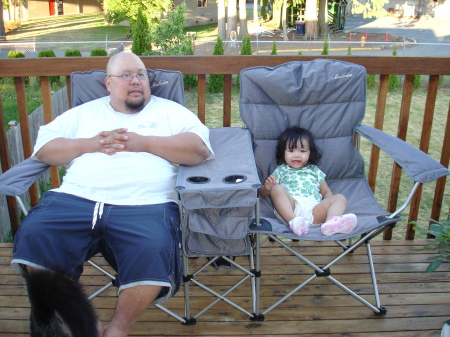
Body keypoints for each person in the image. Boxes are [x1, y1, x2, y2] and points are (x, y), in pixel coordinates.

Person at [11, 51, 214, 337]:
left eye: (141, 74)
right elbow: (45, 149)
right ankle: (76, 324)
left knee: (154, 248)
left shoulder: (169, 112)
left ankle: (117, 330)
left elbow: (199, 149)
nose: (136, 81)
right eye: (126, 75)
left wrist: (143, 142)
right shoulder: (85, 113)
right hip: (75, 199)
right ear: (108, 83)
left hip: (146, 205)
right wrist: (90, 144)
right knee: (35, 233)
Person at [259, 126, 356, 236]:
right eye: (291, 151)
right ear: (283, 152)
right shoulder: (281, 170)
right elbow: (263, 194)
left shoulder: (314, 170)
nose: (297, 155)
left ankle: (331, 223)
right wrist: (266, 188)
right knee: (276, 188)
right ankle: (294, 222)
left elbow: (325, 192)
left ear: (310, 153)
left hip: (314, 211)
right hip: (290, 208)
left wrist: (329, 205)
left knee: (340, 198)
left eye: (302, 151)